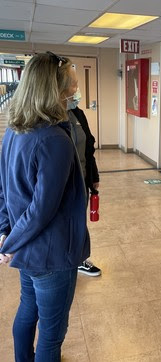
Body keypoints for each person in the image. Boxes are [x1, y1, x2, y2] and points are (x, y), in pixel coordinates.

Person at [0, 52, 90, 361]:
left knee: (28, 308)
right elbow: (42, 210)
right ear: (55, 90)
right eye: (72, 87)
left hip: (26, 250)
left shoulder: (13, 131)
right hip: (51, 255)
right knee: (52, 334)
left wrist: (6, 235)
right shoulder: (54, 139)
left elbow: (3, 189)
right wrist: (9, 243)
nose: (75, 93)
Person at [67, 90, 101, 277]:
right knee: (64, 225)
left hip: (81, 179)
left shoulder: (78, 113)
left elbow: (89, 146)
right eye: (73, 85)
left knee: (79, 222)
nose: (77, 91)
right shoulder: (46, 118)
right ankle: (66, 261)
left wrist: (93, 176)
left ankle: (78, 259)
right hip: (62, 184)